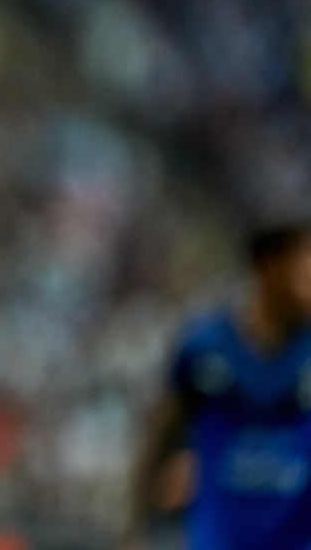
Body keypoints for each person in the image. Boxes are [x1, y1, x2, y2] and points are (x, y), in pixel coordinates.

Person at [124, 218, 311, 549]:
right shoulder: (204, 347)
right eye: (306, 265)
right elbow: (159, 435)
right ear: (269, 267)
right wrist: (135, 529)